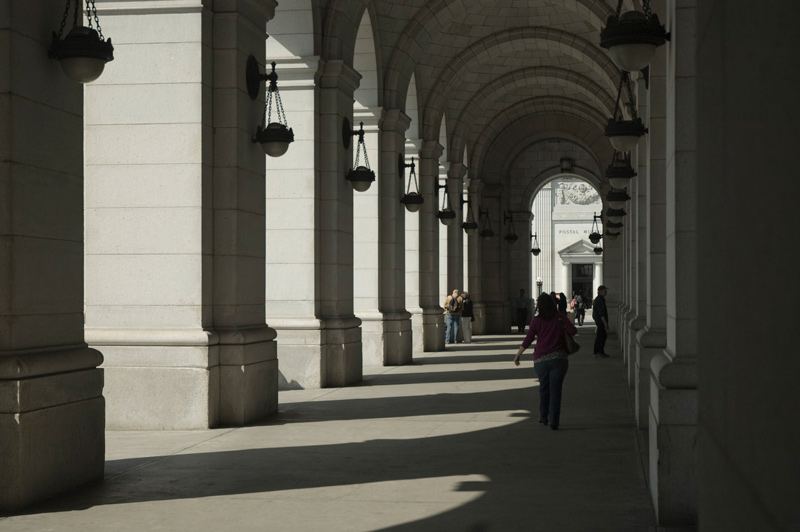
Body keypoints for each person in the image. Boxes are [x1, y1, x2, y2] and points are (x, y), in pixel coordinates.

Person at [513, 293, 578, 430]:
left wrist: (518, 355)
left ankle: (543, 416)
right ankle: (554, 421)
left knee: (544, 388)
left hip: (541, 360)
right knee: (556, 390)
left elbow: (528, 339)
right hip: (559, 359)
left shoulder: (536, 321)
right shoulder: (561, 317)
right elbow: (573, 331)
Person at [592, 285, 609, 358]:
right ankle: (598, 352)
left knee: (602, 336)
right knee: (600, 337)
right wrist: (605, 323)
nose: (606, 292)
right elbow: (601, 313)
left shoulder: (599, 299)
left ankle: (600, 351)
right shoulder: (600, 300)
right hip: (600, 322)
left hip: (599, 322)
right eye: (605, 291)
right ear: (600, 292)